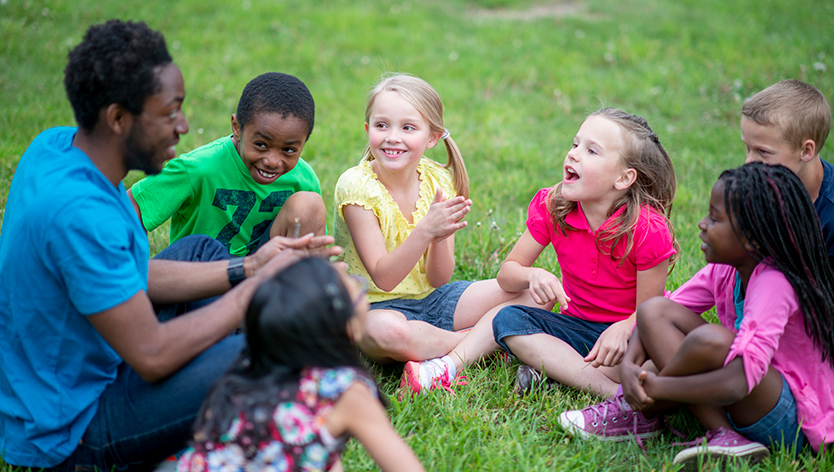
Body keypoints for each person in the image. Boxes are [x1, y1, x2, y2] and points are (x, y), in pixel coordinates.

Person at [0, 20, 338, 471]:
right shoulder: (81, 219)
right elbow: (153, 354)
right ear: (118, 118)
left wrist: (252, 267)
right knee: (271, 350)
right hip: (71, 429)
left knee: (202, 249)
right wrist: (257, 292)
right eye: (169, 112)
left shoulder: (59, 147)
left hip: (93, 361)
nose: (182, 126)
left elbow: (132, 272)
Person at [560, 163, 834, 467]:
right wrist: (629, 365)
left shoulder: (775, 282)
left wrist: (658, 388)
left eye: (715, 218)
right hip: (750, 401)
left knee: (710, 340)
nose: (702, 224)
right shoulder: (725, 271)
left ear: (754, 239)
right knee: (654, 309)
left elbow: (740, 381)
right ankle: (723, 434)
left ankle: (641, 411)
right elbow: (653, 318)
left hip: (789, 419)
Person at [334, 73, 538, 395]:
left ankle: (454, 351)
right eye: (382, 125)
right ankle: (483, 342)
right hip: (375, 308)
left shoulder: (438, 179)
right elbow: (384, 278)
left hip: (434, 301)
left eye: (408, 127)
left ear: (432, 137)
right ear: (367, 129)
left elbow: (440, 280)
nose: (392, 137)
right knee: (384, 332)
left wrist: (440, 236)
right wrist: (425, 230)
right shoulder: (357, 187)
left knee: (539, 294)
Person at [491, 108, 679, 398]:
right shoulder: (552, 205)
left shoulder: (647, 229)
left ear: (623, 178)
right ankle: (612, 393)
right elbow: (507, 274)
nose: (574, 154)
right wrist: (532, 274)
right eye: (575, 144)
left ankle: (555, 370)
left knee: (657, 358)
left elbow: (649, 312)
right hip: (576, 326)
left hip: (631, 335)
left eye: (592, 151)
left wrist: (623, 328)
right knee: (509, 320)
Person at [177, 258, 425, 472]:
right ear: (344, 326)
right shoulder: (344, 390)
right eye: (358, 288)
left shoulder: (239, 377)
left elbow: (320, 455)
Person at [128, 71, 326, 257]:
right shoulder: (199, 168)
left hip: (259, 277)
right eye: (261, 145)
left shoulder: (303, 181)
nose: (272, 161)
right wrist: (135, 272)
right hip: (199, 274)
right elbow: (130, 206)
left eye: (288, 150)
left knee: (309, 205)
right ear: (237, 128)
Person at [740, 79, 834, 267]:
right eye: (748, 148)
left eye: (763, 152)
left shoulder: (830, 214)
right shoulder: (762, 187)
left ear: (806, 151)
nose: (749, 162)